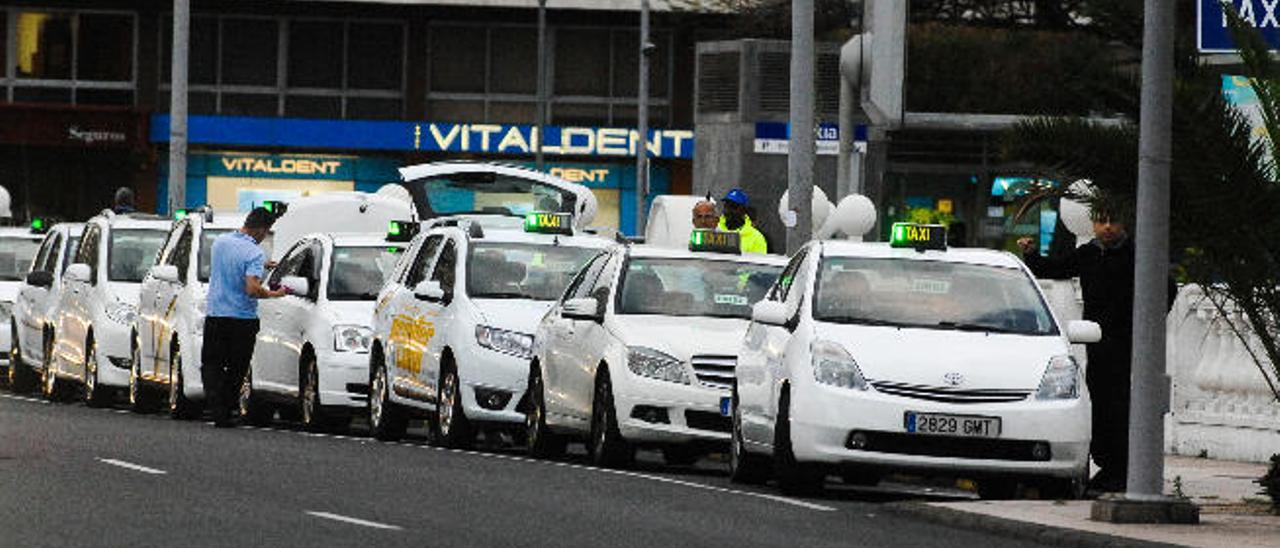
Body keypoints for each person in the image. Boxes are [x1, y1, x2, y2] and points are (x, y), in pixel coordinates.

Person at [1018, 207, 1174, 494]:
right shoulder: (1089, 254)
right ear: (1093, 224)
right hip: (1099, 345)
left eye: (1113, 220)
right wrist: (1030, 254)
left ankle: (1123, 469)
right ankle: (1109, 466)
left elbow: (1167, 290)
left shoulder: (1138, 255)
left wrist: (1145, 326)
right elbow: (1056, 269)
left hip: (1130, 345)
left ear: (1124, 222)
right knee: (1100, 405)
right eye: (1102, 221)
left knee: (1122, 406)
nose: (1108, 227)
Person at [202, 207, 286, 427]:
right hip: (241, 318)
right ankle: (226, 409)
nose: (264, 237)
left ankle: (215, 405)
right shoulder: (254, 253)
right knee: (237, 367)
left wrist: (262, 265)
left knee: (212, 363)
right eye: (266, 232)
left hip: (215, 314)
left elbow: (232, 262)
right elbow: (251, 288)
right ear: (260, 230)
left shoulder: (220, 242)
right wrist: (273, 293)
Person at [718, 188, 768, 254]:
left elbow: (759, 263)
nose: (728, 210)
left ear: (743, 211)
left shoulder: (756, 238)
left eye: (733, 207)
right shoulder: (714, 230)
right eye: (726, 206)